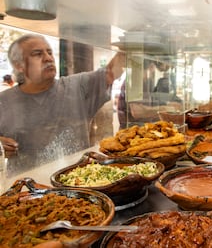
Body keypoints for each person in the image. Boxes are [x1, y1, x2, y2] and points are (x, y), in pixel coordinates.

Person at [0, 34, 125, 174]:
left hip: (76, 183)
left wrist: (130, 41)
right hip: (24, 189)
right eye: (37, 54)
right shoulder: (4, 101)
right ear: (19, 65)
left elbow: (110, 73)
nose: (48, 58)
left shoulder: (77, 86)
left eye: (49, 52)